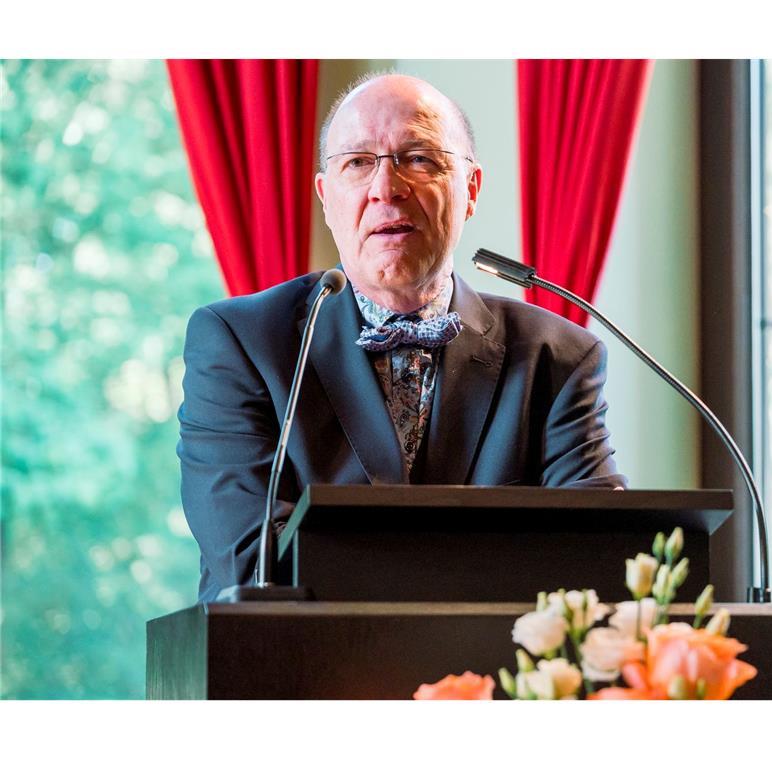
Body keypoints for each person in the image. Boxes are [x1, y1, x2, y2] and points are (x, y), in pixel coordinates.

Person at [177, 74, 626, 602]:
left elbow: (600, 555)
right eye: (358, 163)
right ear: (327, 197)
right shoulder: (240, 342)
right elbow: (248, 562)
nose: (386, 189)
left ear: (471, 190)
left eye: (418, 158)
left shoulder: (560, 357)